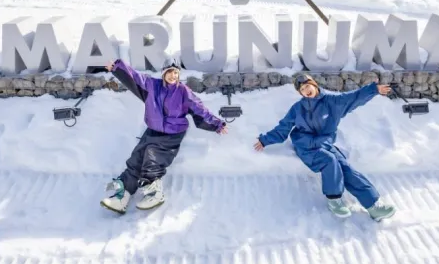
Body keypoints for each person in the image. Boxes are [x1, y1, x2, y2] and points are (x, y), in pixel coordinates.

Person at [253, 74, 396, 221]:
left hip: (324, 144)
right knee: (329, 160)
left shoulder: (332, 102)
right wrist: (265, 140)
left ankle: (373, 206)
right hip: (305, 146)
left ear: (314, 85)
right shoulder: (298, 108)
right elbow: (283, 128)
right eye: (302, 89)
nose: (306, 90)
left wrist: (373, 90)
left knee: (346, 168)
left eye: (307, 86)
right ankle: (334, 199)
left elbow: (353, 97)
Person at [100, 59, 228, 214]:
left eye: (176, 72)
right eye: (169, 72)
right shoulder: (152, 86)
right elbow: (134, 76)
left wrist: (216, 124)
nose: (173, 76)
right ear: (164, 74)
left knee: (153, 157)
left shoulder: (183, 91)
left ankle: (155, 193)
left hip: (172, 134)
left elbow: (199, 108)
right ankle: (122, 197)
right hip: (153, 130)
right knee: (136, 158)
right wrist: (117, 67)